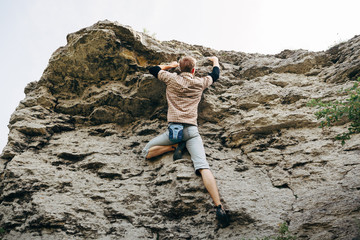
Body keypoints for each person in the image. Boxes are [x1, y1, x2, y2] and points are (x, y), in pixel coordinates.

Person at [142, 56, 229, 227]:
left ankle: (174, 147)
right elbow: (215, 75)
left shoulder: (171, 78)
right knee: (203, 166)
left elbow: (153, 68)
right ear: (194, 70)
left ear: (180, 69)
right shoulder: (200, 82)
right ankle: (219, 206)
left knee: (147, 152)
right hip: (192, 132)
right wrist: (215, 61)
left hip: (174, 132)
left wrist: (170, 66)